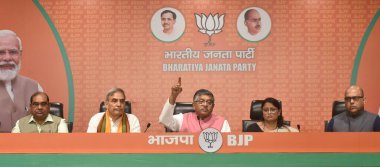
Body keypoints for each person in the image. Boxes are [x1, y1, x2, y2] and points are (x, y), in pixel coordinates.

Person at [0, 29, 43, 132]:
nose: (7, 58)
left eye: (13, 52)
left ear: (20, 54)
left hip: (28, 146)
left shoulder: (35, 87)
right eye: (1, 52)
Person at [159, 77, 231, 132]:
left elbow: (226, 146)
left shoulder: (222, 122)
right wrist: (173, 96)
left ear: (213, 106)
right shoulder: (183, 119)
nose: (205, 104)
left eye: (209, 102)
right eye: (201, 101)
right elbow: (164, 120)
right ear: (193, 105)